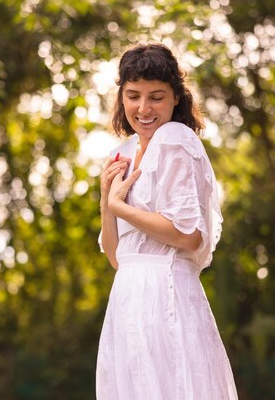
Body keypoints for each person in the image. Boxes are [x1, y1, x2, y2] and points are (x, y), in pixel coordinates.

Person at [97, 43, 238, 399]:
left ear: (176, 97)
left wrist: (119, 206)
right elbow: (117, 258)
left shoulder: (176, 140)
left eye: (156, 97)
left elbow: (189, 236)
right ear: (121, 98)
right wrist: (105, 198)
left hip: (165, 295)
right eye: (133, 96)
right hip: (127, 298)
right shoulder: (124, 152)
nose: (143, 109)